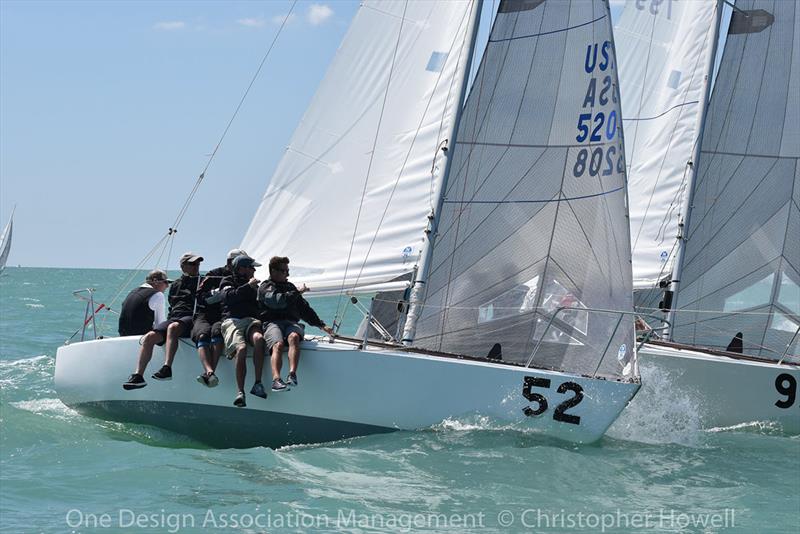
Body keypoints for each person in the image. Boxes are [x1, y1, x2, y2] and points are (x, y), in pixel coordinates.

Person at [122, 252, 203, 390]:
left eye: (198, 264)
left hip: (191, 317)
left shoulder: (204, 281)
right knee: (150, 337)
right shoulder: (176, 284)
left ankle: (167, 368)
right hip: (175, 317)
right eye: (192, 264)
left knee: (173, 327)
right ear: (183, 266)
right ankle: (138, 376)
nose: (196, 266)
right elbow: (172, 303)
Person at [258, 256, 334, 392]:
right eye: (284, 271)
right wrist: (297, 292)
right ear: (273, 271)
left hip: (290, 323)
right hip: (272, 323)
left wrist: (321, 325)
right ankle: (276, 380)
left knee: (294, 337)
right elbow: (277, 302)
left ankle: (292, 375)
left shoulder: (289, 287)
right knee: (278, 344)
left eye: (288, 271)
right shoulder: (266, 287)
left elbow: (304, 309)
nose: (287, 274)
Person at [191, 248, 248, 387]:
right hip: (205, 314)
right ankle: (210, 372)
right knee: (203, 334)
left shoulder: (245, 277)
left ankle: (209, 373)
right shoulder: (214, 274)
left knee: (217, 333)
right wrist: (220, 294)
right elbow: (200, 296)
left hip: (222, 316)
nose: (246, 268)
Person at [219, 254, 267, 407]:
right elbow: (228, 297)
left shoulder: (255, 287)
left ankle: (258, 383)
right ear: (242, 268)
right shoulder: (227, 281)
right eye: (251, 267)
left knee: (259, 339)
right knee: (241, 348)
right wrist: (248, 287)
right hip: (233, 320)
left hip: (252, 321)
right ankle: (240, 392)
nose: (254, 270)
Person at [118, 269, 171, 337]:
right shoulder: (158, 295)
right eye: (166, 282)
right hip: (141, 339)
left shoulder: (133, 292)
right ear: (155, 281)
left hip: (123, 336)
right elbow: (160, 325)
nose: (167, 286)